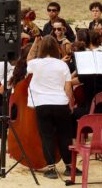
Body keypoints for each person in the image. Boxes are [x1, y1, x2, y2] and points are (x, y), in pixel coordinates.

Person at [25, 35, 75, 181]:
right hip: (60, 102)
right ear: (55, 48)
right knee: (64, 135)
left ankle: (51, 168)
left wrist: (35, 43)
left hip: (42, 104)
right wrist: (69, 103)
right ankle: (69, 166)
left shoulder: (35, 63)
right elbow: (68, 88)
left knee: (46, 136)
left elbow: (28, 59)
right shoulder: (62, 65)